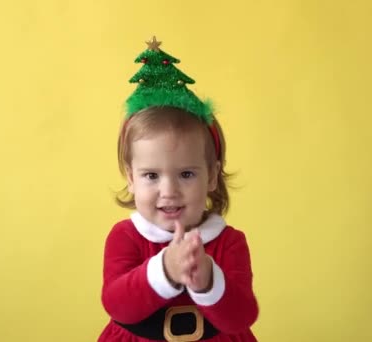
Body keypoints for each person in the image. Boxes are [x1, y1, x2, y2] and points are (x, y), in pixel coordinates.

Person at [98, 36, 259, 342]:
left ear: (212, 176)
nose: (169, 190)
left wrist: (208, 280)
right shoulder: (125, 237)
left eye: (186, 173)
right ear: (131, 178)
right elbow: (117, 304)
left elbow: (242, 316)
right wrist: (165, 270)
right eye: (151, 176)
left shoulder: (229, 243)